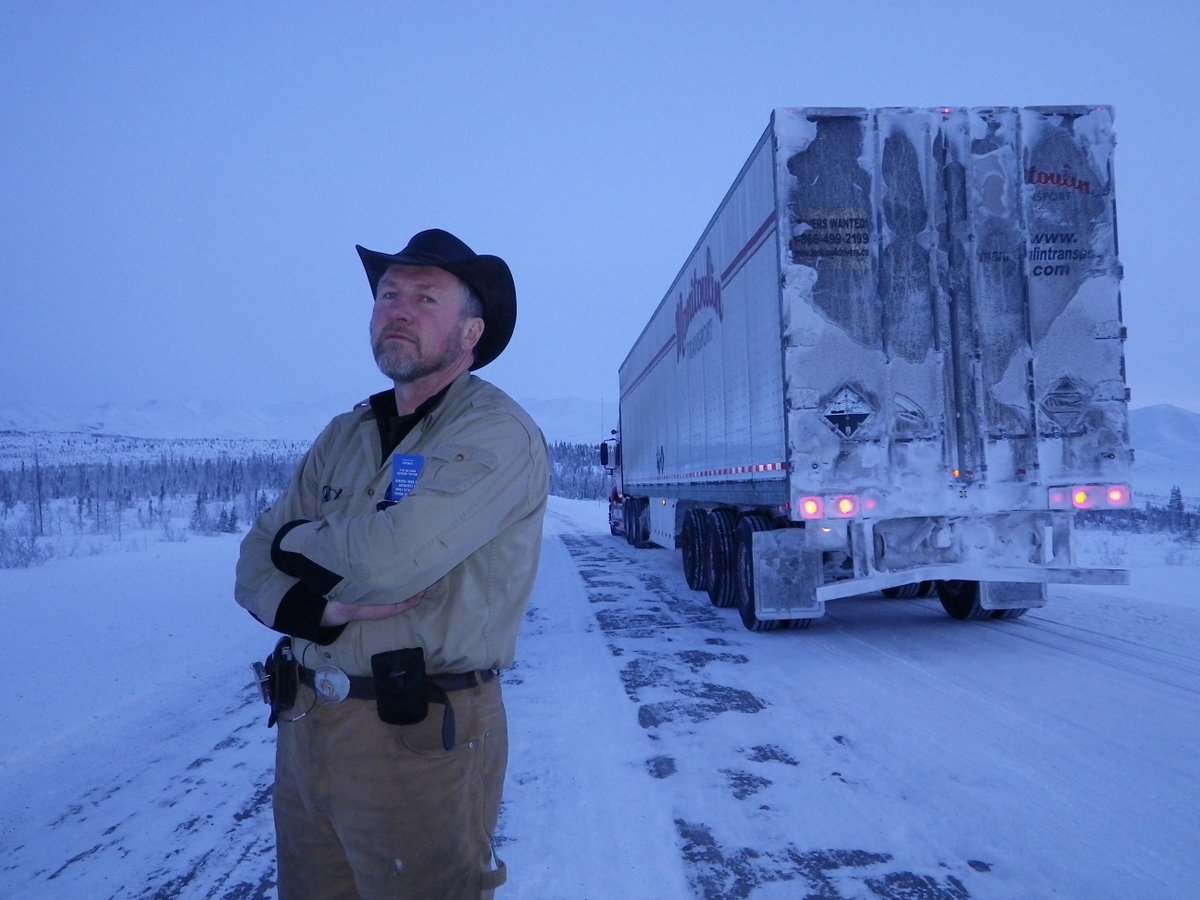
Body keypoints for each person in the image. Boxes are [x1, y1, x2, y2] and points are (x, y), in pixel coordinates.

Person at [235, 228, 549, 899]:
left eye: (425, 298)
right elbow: (249, 568)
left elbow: (390, 561)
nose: (396, 310)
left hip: (416, 738)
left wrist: (293, 540)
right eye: (387, 295)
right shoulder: (346, 433)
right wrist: (316, 608)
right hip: (305, 729)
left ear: (471, 333)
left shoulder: (494, 432)